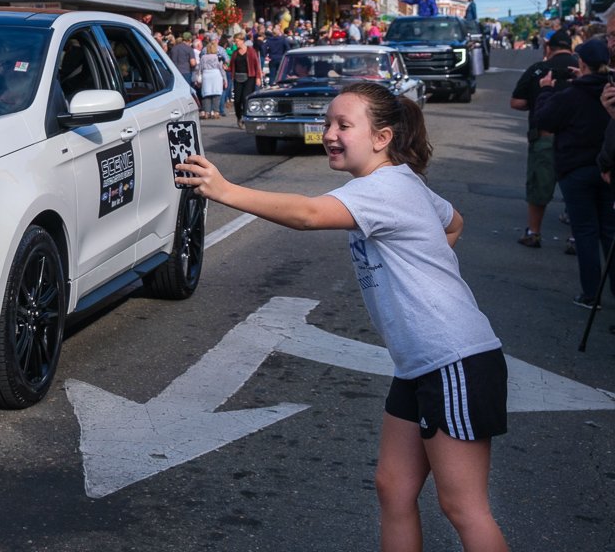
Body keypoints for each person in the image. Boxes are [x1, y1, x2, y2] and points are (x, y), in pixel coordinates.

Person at [175, 81, 508, 552]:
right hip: (419, 364)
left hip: (453, 358)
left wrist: (225, 190)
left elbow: (309, 214)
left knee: (463, 507)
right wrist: (423, 265)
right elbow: (453, 223)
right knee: (393, 488)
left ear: (382, 137)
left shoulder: (386, 187)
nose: (329, 132)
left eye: (343, 125)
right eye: (328, 122)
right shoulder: (400, 182)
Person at [534, 38, 615, 308]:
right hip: (606, 168)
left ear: (581, 63)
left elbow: (544, 119)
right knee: (608, 232)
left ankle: (591, 294)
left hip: (576, 169)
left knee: (585, 232)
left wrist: (545, 90)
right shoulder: (608, 91)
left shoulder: (572, 94)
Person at [509, 29, 577, 250]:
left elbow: (516, 102)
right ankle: (576, 238)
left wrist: (537, 100)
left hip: (545, 138)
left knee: (539, 189)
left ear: (549, 48)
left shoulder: (539, 69)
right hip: (578, 139)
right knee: (577, 192)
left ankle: (534, 232)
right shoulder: (580, 69)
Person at [228, 32, 262, 129]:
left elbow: (256, 65)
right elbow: (231, 66)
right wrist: (226, 67)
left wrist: (258, 78)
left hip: (249, 77)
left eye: (237, 41)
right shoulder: (235, 53)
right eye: (235, 41)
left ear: (242, 40)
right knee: (237, 100)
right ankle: (239, 117)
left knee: (245, 98)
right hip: (238, 78)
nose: (236, 43)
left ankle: (245, 117)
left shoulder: (251, 51)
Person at [196, 38, 226, 119]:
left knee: (206, 95)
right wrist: (225, 79)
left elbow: (200, 68)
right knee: (216, 94)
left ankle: (207, 112)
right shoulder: (217, 57)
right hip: (216, 75)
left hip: (206, 75)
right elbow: (221, 69)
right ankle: (216, 112)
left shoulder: (203, 57)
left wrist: (198, 78)